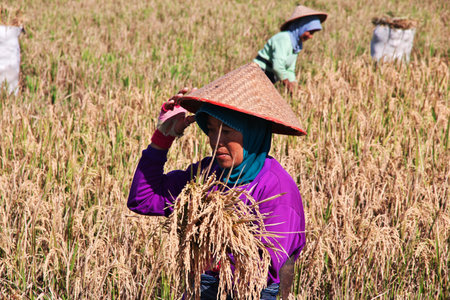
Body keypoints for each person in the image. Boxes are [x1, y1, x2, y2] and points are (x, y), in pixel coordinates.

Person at [127, 63, 306, 299]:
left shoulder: (277, 188)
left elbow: (266, 265)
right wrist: (163, 138)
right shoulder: (206, 176)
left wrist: (214, 233)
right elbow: (143, 199)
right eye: (211, 130)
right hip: (204, 285)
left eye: (228, 132)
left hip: (252, 292)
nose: (216, 141)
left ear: (253, 134)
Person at [254, 5, 328, 93]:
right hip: (259, 74)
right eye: (310, 32)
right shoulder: (284, 39)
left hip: (270, 77)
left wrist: (294, 85)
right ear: (301, 27)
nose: (311, 36)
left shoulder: (296, 44)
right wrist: (288, 84)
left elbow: (289, 69)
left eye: (313, 33)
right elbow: (278, 66)